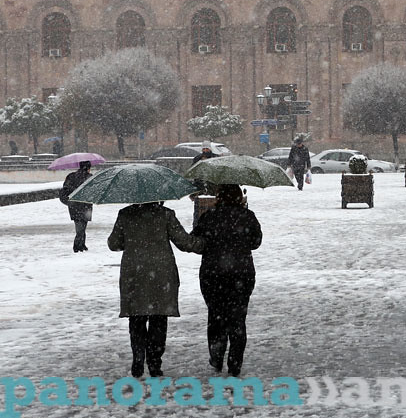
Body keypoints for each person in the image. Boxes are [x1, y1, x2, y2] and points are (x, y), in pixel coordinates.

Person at [107, 201, 203, 378]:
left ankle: (138, 356)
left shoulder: (125, 214)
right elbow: (184, 242)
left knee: (137, 317)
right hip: (161, 273)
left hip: (134, 272)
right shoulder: (165, 214)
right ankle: (154, 363)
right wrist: (206, 244)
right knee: (159, 318)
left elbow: (113, 244)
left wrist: (131, 241)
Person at [192, 184, 262, 376]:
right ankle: (235, 362)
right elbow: (256, 243)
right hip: (241, 273)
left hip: (213, 273)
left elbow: (196, 241)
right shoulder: (248, 216)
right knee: (238, 319)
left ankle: (216, 356)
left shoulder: (209, 216)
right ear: (240, 197)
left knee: (216, 317)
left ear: (219, 196)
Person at [59, 160, 93, 252]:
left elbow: (65, 188)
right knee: (82, 226)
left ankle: (82, 244)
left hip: (74, 205)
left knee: (80, 225)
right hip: (85, 205)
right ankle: (77, 246)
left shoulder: (71, 176)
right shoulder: (90, 177)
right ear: (88, 168)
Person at [189, 142, 219, 227]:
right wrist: (193, 193)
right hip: (200, 189)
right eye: (204, 149)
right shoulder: (197, 159)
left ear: (210, 149)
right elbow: (193, 175)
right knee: (199, 212)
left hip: (213, 189)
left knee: (213, 212)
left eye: (207, 148)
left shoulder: (216, 158)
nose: (205, 150)